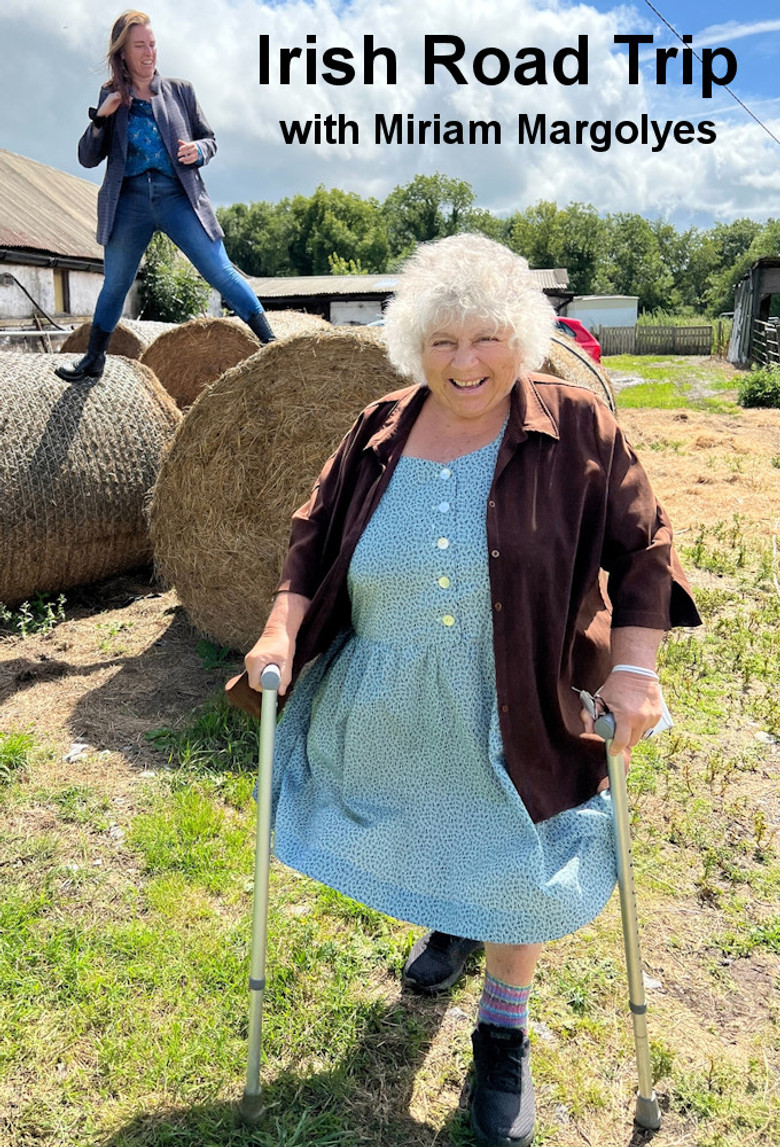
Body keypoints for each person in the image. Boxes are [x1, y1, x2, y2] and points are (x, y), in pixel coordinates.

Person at [230, 234, 701, 1146]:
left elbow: (644, 545)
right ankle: (453, 916)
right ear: (414, 345)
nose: (465, 361)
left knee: (517, 851)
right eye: (442, 341)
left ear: (520, 336)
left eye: (485, 338)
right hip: (391, 691)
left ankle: (502, 1027)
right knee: (426, 818)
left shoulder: (576, 429)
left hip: (516, 692)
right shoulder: (376, 428)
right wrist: (281, 626)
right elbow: (310, 539)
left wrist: (636, 668)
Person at [56, 10, 274, 384]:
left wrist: (198, 151)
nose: (149, 52)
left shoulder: (180, 91)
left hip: (178, 196)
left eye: (153, 44)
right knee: (116, 283)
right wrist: (100, 118)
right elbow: (87, 157)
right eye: (140, 45)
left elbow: (211, 139)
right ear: (122, 52)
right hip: (130, 201)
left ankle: (273, 346)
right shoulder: (111, 96)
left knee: (219, 271)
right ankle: (93, 359)